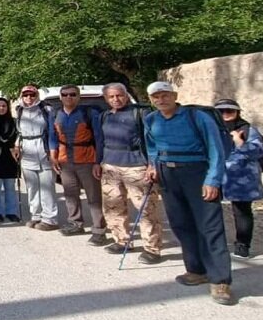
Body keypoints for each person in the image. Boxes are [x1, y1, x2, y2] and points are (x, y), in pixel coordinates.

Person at [145, 81, 233, 306]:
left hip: (197, 173)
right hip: (168, 174)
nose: (161, 100)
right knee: (181, 224)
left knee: (210, 227)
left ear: (175, 95)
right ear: (151, 100)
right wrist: (153, 165)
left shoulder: (197, 117)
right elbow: (152, 146)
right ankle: (196, 270)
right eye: (156, 97)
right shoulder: (151, 120)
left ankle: (220, 280)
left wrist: (213, 179)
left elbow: (216, 150)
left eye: (165, 95)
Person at [98, 83, 162, 264]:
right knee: (113, 206)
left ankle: (152, 249)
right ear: (106, 99)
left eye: (119, 95)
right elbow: (101, 141)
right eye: (111, 97)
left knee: (146, 209)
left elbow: (153, 140)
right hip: (110, 166)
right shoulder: (105, 116)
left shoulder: (140, 113)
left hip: (137, 166)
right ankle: (121, 240)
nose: (116, 99)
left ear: (126, 95)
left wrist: (152, 165)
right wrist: (98, 162)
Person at [49, 84, 108, 245]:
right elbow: (52, 137)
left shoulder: (89, 113)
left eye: (73, 94)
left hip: (87, 160)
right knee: (70, 194)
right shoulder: (55, 114)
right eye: (65, 94)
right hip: (65, 161)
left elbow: (99, 138)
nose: (69, 97)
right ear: (60, 97)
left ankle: (99, 230)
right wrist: (53, 157)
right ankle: (75, 223)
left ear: (78, 96)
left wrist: (98, 162)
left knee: (93, 196)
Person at [215, 98, 263, 259]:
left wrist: (239, 142)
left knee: (242, 212)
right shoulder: (211, 129)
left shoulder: (248, 130)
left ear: (237, 112)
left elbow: (257, 151)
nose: (225, 114)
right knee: (211, 211)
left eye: (229, 111)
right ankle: (215, 244)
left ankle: (243, 245)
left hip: (241, 178)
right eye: (220, 111)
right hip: (216, 175)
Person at [13, 85, 59, 231]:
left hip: (42, 147)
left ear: (36, 95)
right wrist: (16, 146)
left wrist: (53, 153)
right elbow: (19, 132)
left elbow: (52, 131)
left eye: (32, 95)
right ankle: (36, 215)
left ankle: (50, 218)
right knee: (32, 186)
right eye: (26, 95)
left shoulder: (46, 109)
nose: (29, 98)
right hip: (27, 148)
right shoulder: (19, 110)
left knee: (46, 185)